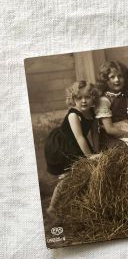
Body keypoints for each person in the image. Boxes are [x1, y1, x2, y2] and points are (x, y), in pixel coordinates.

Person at [44, 80, 100, 215]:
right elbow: (80, 137)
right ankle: (52, 207)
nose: (84, 101)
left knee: (86, 170)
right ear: (73, 99)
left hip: (75, 142)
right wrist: (90, 156)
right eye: (79, 98)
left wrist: (96, 151)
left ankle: (84, 201)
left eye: (87, 97)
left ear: (93, 98)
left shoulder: (92, 113)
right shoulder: (74, 115)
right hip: (63, 145)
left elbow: (95, 133)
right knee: (66, 176)